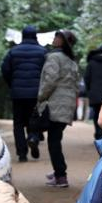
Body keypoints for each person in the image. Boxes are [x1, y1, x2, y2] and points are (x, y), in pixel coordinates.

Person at [38, 29, 79, 188]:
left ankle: (61, 175)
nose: (54, 39)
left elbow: (50, 80)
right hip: (67, 104)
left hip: (55, 103)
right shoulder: (71, 61)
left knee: (53, 141)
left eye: (58, 37)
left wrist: (41, 97)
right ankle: (58, 172)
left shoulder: (54, 57)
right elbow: (75, 85)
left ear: (63, 41)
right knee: (56, 138)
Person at [0, 24, 47, 162]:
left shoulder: (13, 51)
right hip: (36, 93)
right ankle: (33, 137)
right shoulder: (43, 52)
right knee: (35, 118)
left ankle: (22, 153)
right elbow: (48, 71)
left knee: (19, 123)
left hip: (18, 93)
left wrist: (12, 83)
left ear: (22, 36)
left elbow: (5, 69)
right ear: (35, 36)